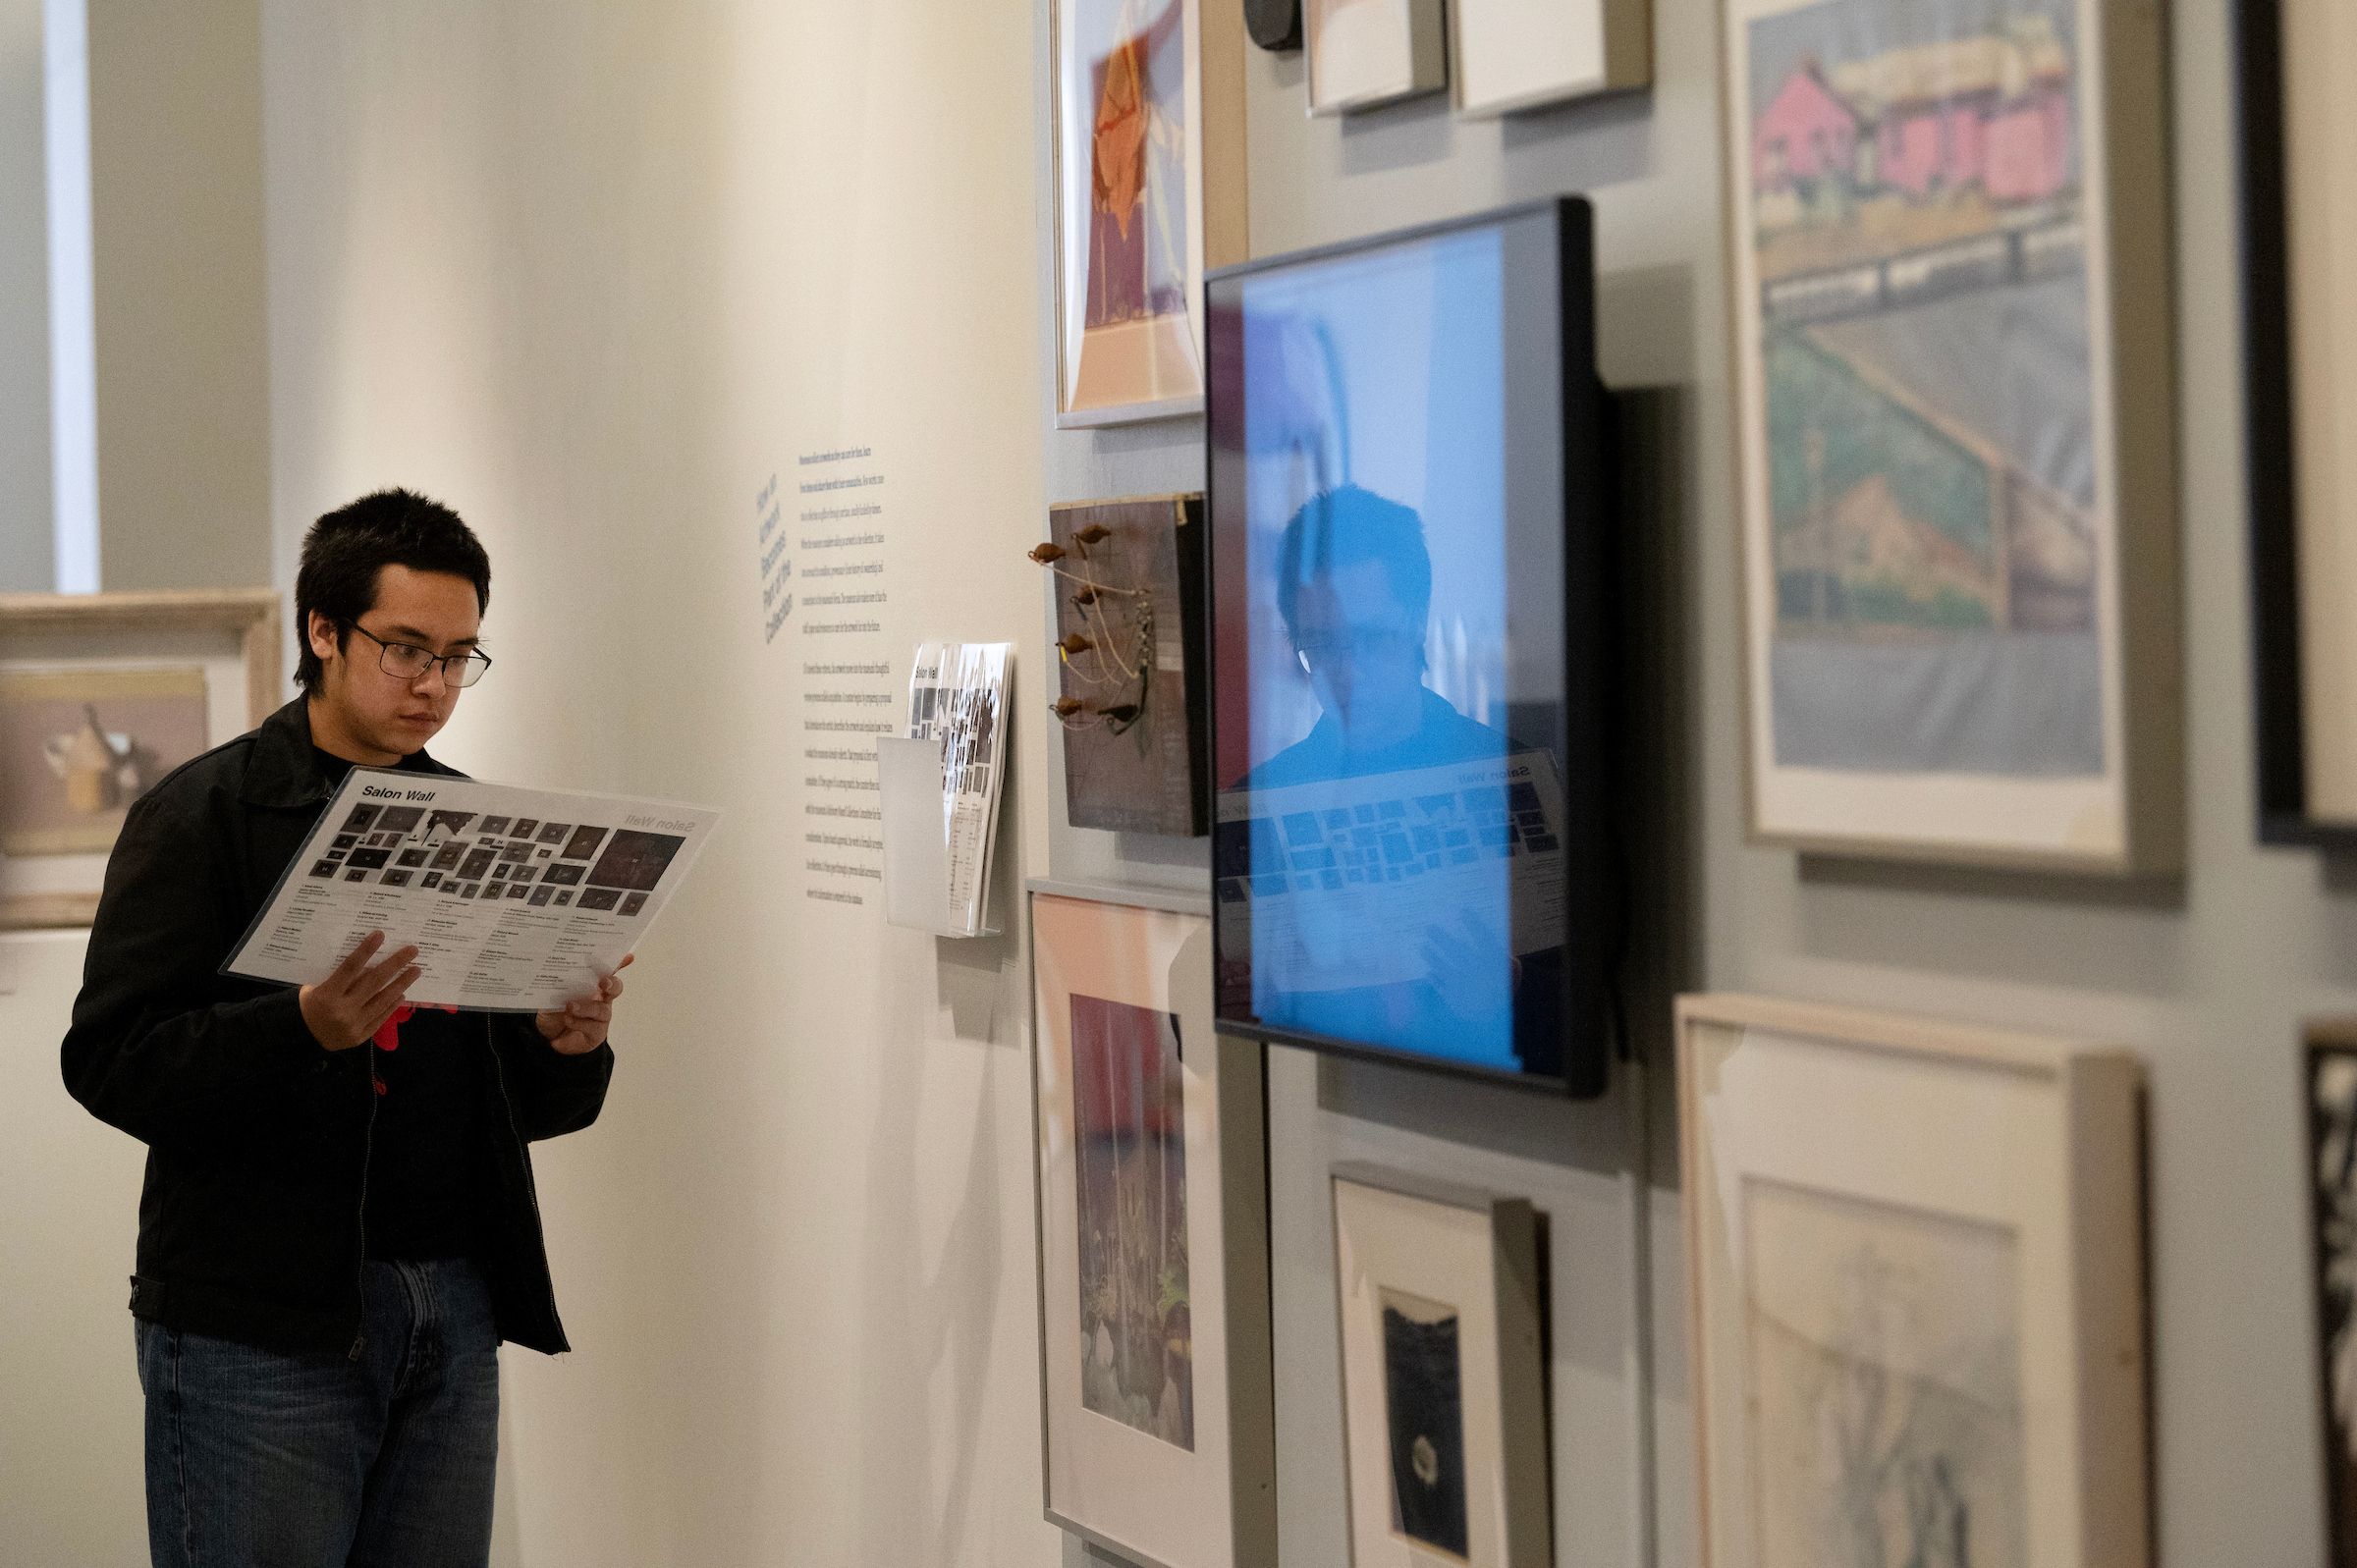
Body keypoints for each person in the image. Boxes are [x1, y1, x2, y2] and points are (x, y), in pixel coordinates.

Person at [60, 488, 626, 1568]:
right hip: (257, 1321)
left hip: (451, 1303)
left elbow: (515, 1101)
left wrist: (570, 1040)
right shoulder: (202, 814)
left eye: (460, 657)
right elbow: (110, 1060)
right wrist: (304, 1028)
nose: (433, 686)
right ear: (323, 632)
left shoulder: (471, 819)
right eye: (405, 648)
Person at [1230, 484, 1562, 1074]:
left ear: (1415, 626)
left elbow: (1603, 1012)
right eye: (1324, 646)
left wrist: (1508, 991)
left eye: (1373, 638)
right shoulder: (1259, 802)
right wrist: (1221, 1002)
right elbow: (1214, 1043)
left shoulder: (1512, 774)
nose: (1349, 673)